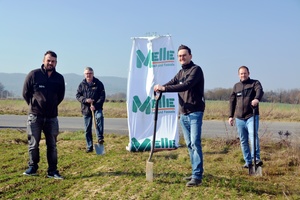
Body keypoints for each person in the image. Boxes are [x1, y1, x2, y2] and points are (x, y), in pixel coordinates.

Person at [154, 45, 205, 187]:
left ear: (190, 56)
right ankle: (195, 171)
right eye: (179, 56)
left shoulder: (196, 70)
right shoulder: (180, 73)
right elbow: (172, 83)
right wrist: (160, 88)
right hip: (184, 113)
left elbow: (186, 86)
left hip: (195, 112)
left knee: (195, 143)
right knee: (189, 144)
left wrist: (165, 88)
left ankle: (197, 176)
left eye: (184, 55)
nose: (182, 58)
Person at [22, 50, 65, 179]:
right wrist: (35, 105)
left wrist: (51, 105)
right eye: (48, 60)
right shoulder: (33, 75)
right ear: (43, 60)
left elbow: (60, 96)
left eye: (53, 61)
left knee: (52, 145)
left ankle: (52, 170)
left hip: (52, 117)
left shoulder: (59, 78)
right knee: (33, 143)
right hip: (35, 116)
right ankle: (32, 167)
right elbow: (25, 93)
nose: (50, 63)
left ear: (56, 62)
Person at [228, 66, 264, 169]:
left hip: (251, 115)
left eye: (245, 73)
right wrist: (231, 116)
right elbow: (232, 101)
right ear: (238, 75)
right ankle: (248, 161)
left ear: (249, 73)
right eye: (241, 73)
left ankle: (256, 159)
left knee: (253, 136)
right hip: (239, 118)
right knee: (243, 140)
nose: (243, 75)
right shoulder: (236, 86)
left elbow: (260, 91)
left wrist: (257, 99)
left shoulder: (255, 83)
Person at [76, 67, 106, 153]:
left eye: (90, 73)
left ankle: (100, 138)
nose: (88, 75)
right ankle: (89, 147)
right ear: (84, 74)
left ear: (93, 74)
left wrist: (96, 106)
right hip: (86, 109)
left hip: (97, 108)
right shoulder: (81, 85)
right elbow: (78, 95)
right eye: (87, 74)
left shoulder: (98, 83)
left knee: (99, 117)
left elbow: (102, 96)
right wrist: (85, 100)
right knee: (87, 129)